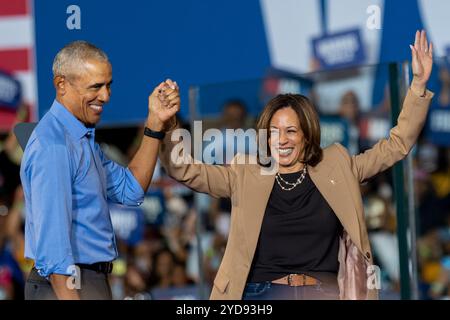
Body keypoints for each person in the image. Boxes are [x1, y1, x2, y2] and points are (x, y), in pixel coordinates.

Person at [159, 30, 434, 300]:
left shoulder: (337, 166)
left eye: (291, 131)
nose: (282, 140)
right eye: (274, 132)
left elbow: (396, 146)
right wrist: (168, 126)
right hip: (261, 295)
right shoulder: (245, 174)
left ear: (307, 134)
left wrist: (418, 86)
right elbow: (184, 170)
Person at [20, 41, 180, 300]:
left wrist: (154, 124)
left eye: (108, 85)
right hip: (66, 287)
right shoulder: (54, 146)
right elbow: (53, 246)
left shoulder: (79, 140)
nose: (105, 96)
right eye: (95, 87)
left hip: (86, 281)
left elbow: (131, 189)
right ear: (62, 85)